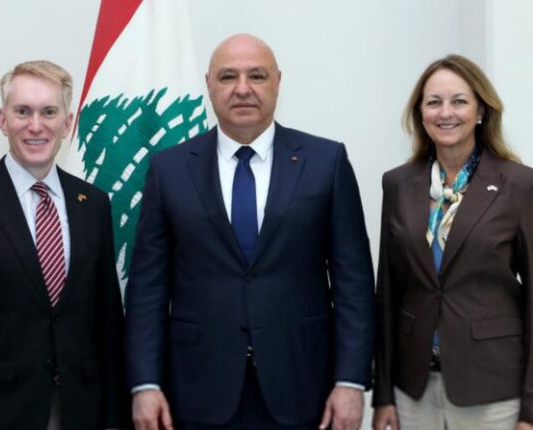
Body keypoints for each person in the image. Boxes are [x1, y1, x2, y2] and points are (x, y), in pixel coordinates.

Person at [125, 33, 375, 430]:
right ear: (209, 85)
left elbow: (354, 282)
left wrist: (351, 381)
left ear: (278, 81)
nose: (242, 89)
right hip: (196, 388)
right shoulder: (168, 169)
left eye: (256, 75)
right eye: (228, 77)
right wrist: (145, 383)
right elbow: (147, 288)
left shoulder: (325, 162)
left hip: (304, 386)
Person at [0, 60, 128, 430]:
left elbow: (108, 323)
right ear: (3, 120)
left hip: (81, 409)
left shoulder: (94, 204)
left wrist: (115, 418)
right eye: (23, 111)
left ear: (67, 123)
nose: (35, 125)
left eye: (49, 112)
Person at [372, 54, 533, 430]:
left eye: (459, 101)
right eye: (434, 102)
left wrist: (531, 409)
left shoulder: (519, 185)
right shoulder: (397, 184)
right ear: (421, 113)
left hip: (492, 388)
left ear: (480, 111)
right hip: (414, 389)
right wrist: (383, 394)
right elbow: (388, 294)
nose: (446, 113)